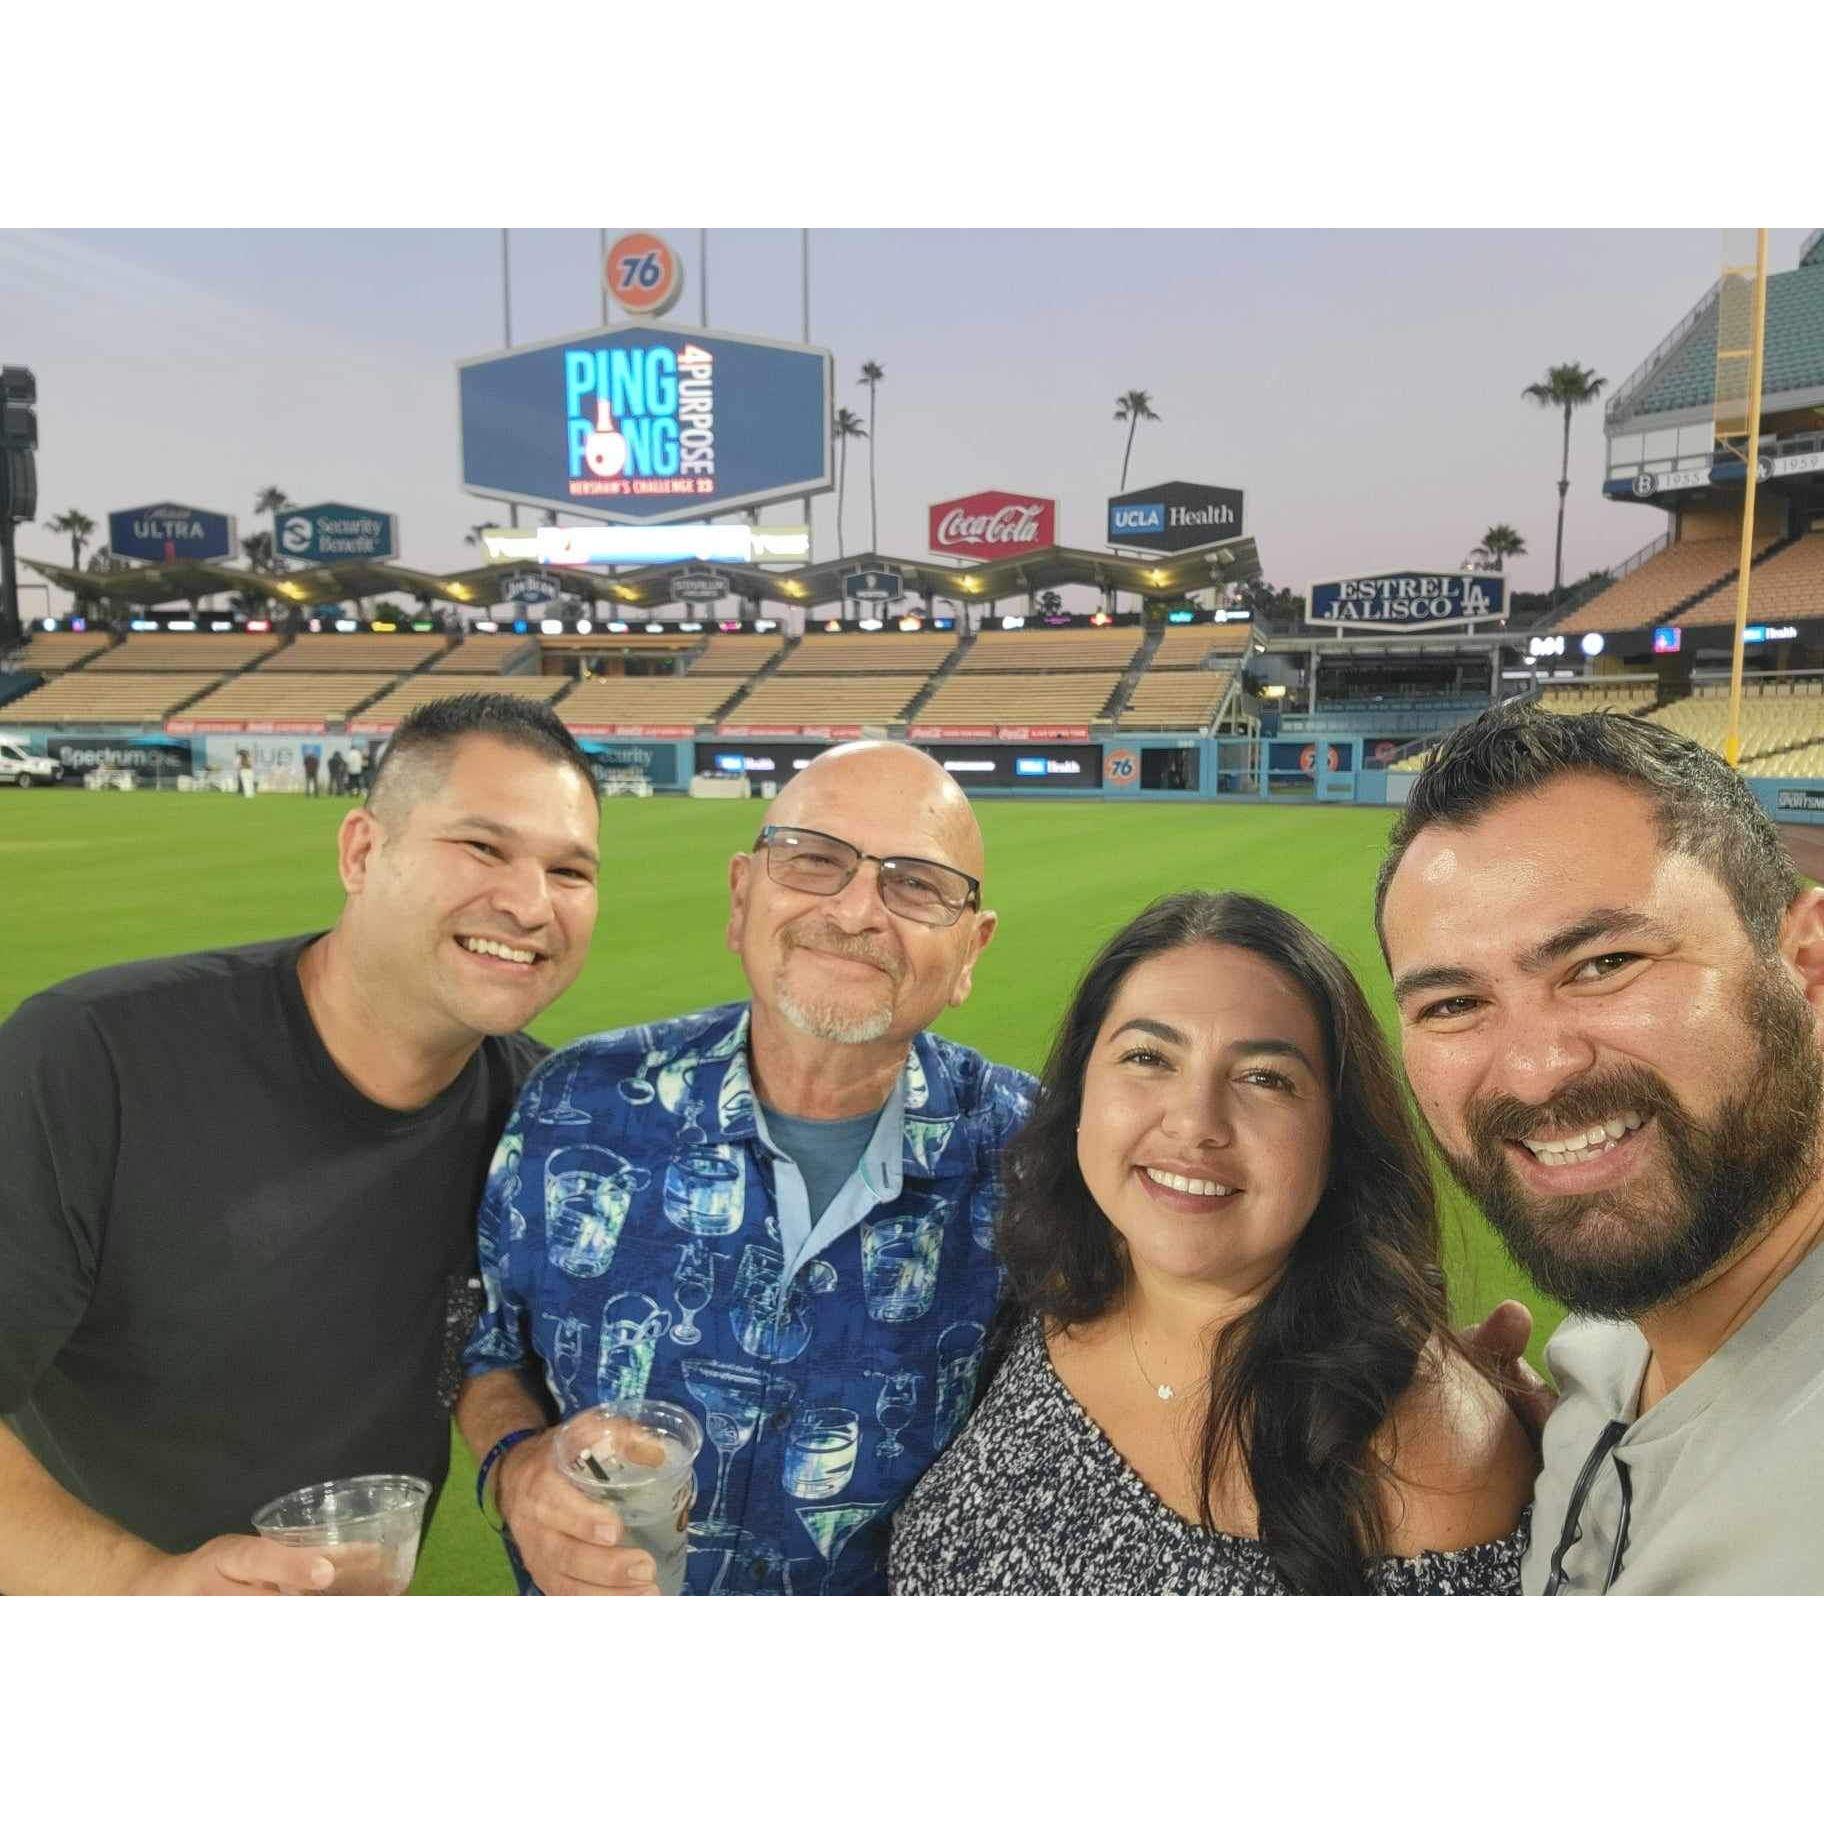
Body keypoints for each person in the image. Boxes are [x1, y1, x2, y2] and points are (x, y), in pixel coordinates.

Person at [0, 692, 601, 1594]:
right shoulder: (94, 1057)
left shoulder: (550, 1120)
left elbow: (495, 1354)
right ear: (363, 851)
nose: (529, 903)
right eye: (483, 847)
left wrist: (516, 1454)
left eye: (571, 871)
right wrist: (144, 1588)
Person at [457, 740, 1034, 1595]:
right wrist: (514, 1464)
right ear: (740, 897)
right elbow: (485, 1343)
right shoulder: (576, 1104)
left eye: (916, 884)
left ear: (972, 950)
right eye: (813, 861)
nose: (857, 910)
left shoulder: (1044, 1158)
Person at [888, 891, 1534, 1595]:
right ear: (1080, 1094)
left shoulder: (1425, 1456)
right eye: (1148, 1058)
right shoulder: (1045, 1291)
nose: (1196, 1124)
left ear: (1337, 1137)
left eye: (1264, 1078)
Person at [1377, 703, 1824, 1594]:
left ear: (1807, 965)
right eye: (1453, 1005)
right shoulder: (1605, 1351)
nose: (1537, 1073)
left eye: (1606, 963)